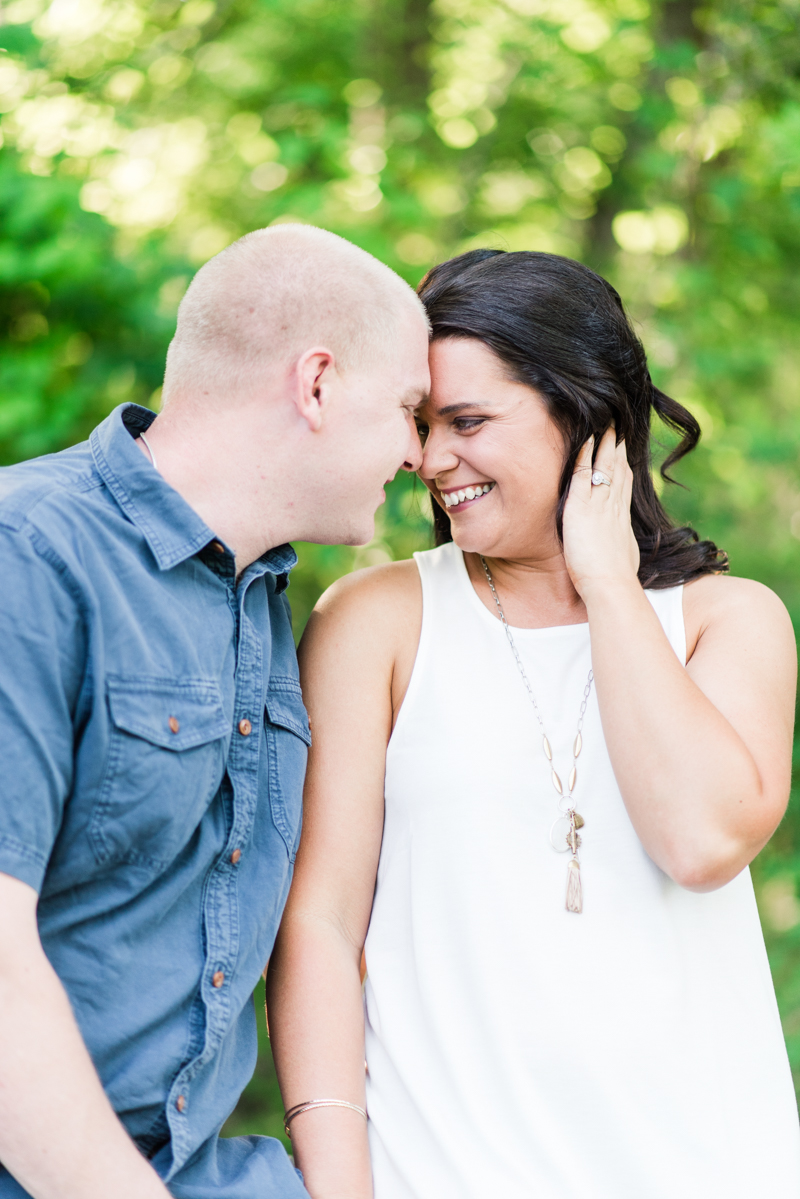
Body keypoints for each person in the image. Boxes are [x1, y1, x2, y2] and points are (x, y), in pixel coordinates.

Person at [268, 249, 800, 1199]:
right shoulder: (374, 622)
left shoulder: (730, 619)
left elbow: (702, 839)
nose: (432, 461)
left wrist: (602, 577)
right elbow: (320, 925)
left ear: (585, 413)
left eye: (469, 422)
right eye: (423, 425)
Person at [0, 224, 430, 1199]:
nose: (415, 452)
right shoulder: (27, 555)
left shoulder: (262, 607)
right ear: (316, 384)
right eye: (406, 409)